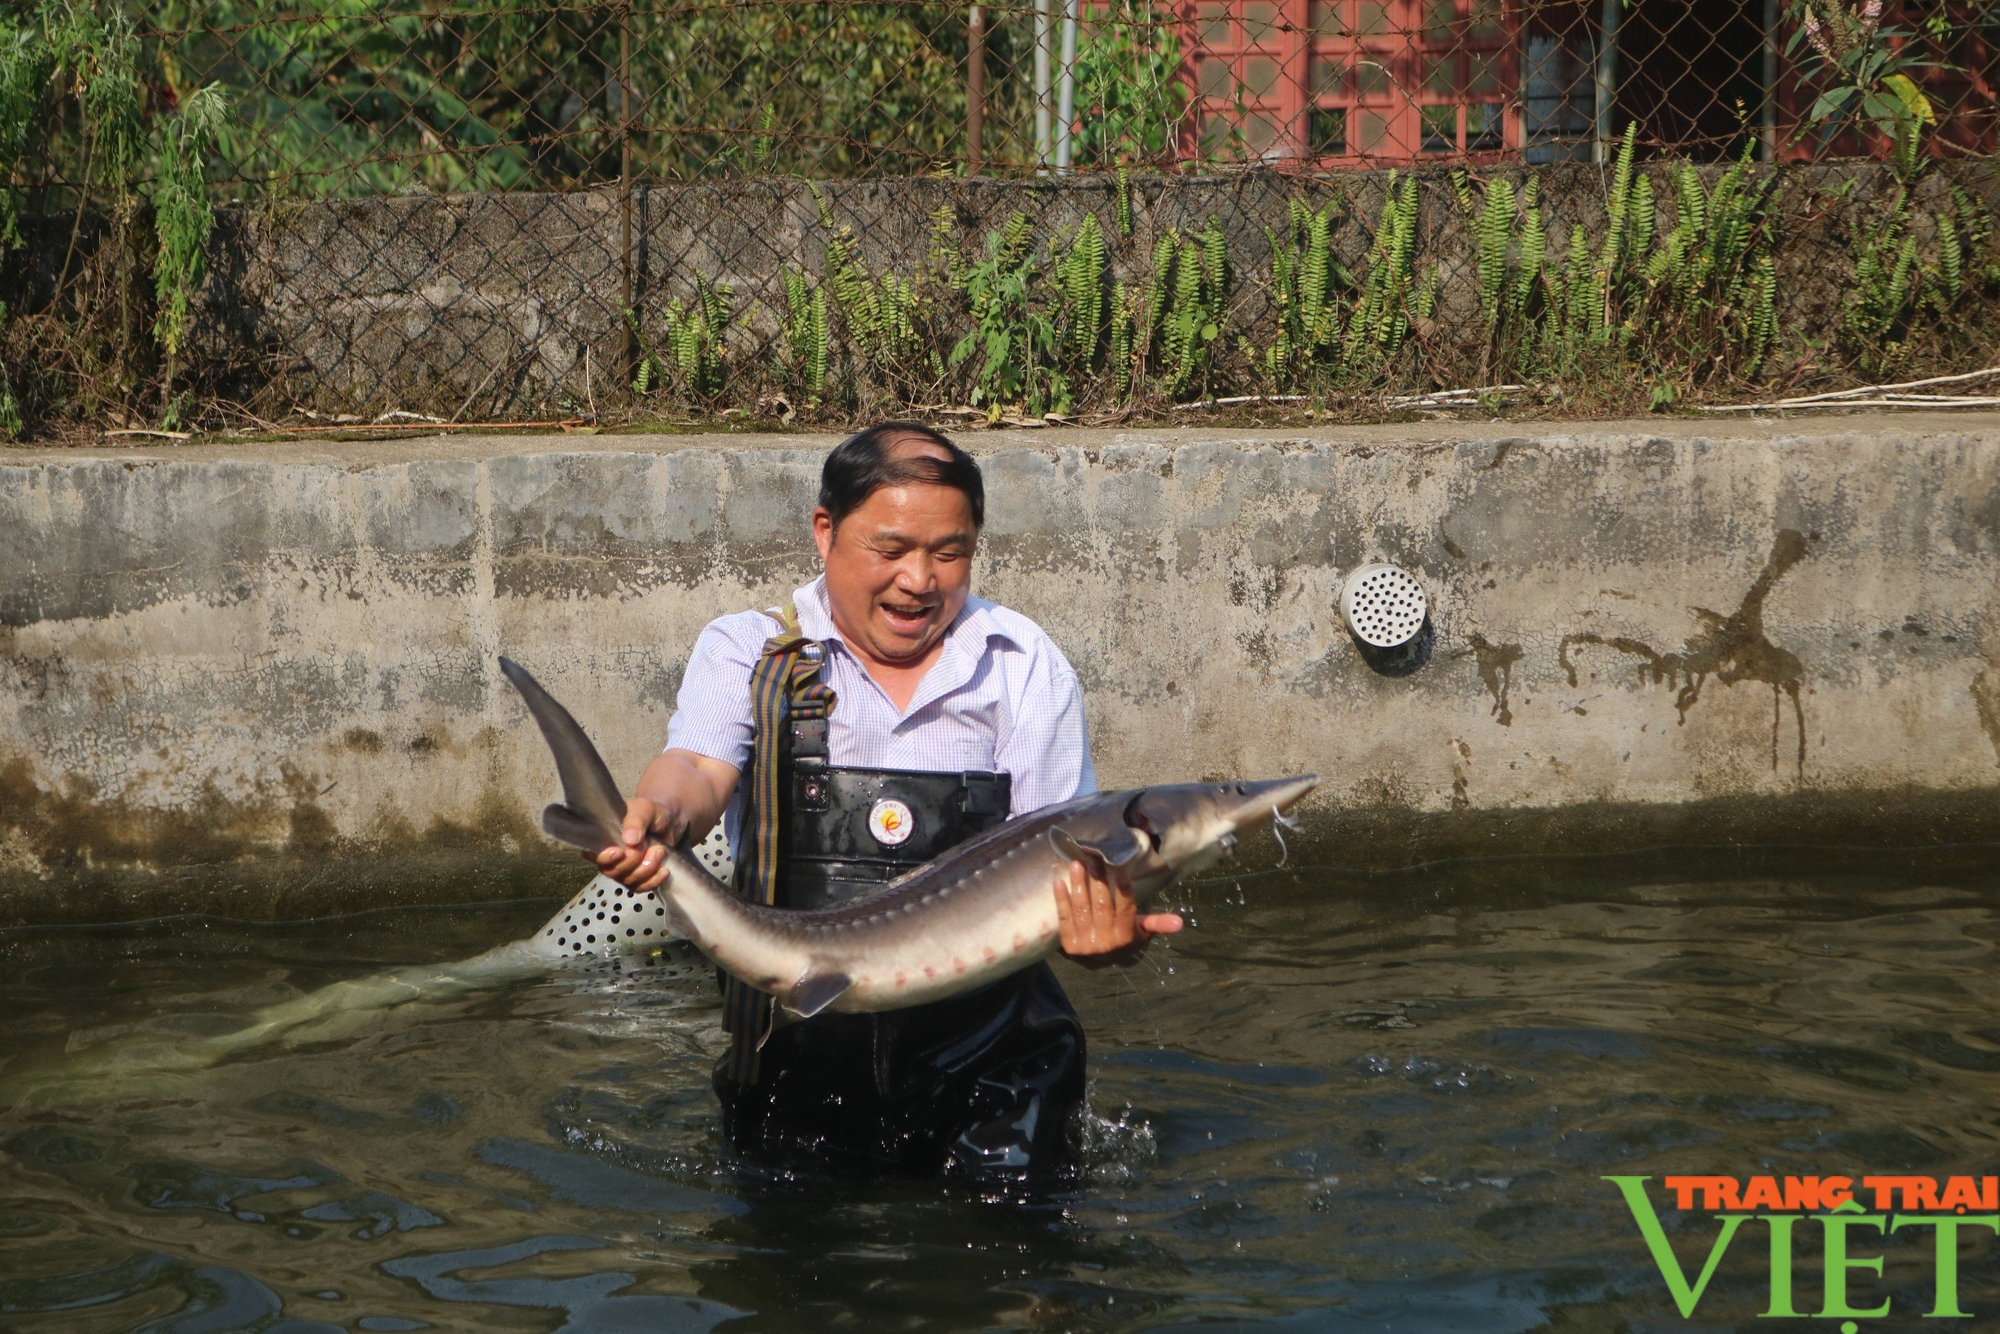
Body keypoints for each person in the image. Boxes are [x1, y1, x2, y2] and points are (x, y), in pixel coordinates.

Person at [591, 422, 1179, 1186]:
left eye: (949, 552)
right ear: (825, 531)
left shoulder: (1023, 663)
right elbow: (698, 770)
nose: (919, 581)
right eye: (891, 549)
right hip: (797, 1062)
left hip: (994, 1072)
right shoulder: (751, 651)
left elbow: (1060, 855)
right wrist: (659, 815)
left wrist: (1107, 931)